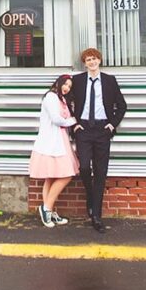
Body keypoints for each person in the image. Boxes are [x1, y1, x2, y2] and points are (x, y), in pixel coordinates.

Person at [69, 47, 127, 233]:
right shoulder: (77, 80)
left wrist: (112, 124)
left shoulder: (109, 81)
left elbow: (122, 105)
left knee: (101, 173)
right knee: (84, 167)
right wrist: (74, 124)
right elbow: (65, 103)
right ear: (84, 63)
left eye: (94, 59)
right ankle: (90, 195)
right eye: (88, 60)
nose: (92, 62)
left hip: (102, 130)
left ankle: (96, 216)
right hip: (84, 129)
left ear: (99, 60)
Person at [28, 74, 79, 227]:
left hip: (59, 140)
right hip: (50, 142)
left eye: (69, 86)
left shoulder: (61, 99)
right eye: (65, 84)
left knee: (51, 177)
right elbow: (57, 120)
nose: (67, 88)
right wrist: (74, 121)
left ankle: (48, 211)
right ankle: (47, 208)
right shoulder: (50, 97)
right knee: (66, 175)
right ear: (58, 83)